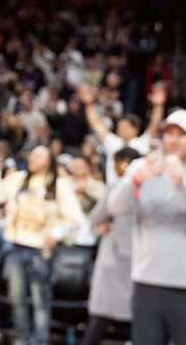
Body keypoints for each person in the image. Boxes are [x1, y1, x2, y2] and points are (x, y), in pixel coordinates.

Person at [107, 109, 186, 345]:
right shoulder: (143, 166)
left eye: (180, 134)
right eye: (168, 133)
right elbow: (114, 207)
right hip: (146, 280)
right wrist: (135, 180)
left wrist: (181, 182)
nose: (172, 139)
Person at [1, 144, 85, 345]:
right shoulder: (18, 179)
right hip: (15, 244)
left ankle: (40, 341)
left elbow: (76, 219)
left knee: (40, 301)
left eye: (39, 156)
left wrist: (56, 233)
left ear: (49, 161)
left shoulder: (59, 185)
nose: (33, 158)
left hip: (40, 249)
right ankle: (21, 338)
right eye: (32, 155)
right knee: (16, 299)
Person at [79, 147, 140, 345]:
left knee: (100, 317)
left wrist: (102, 224)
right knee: (135, 319)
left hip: (115, 255)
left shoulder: (120, 187)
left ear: (125, 163)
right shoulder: (151, 186)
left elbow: (96, 215)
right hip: (139, 255)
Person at [79, 83, 164, 185]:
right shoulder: (113, 142)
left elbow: (154, 125)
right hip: (114, 189)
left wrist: (159, 106)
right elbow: (97, 125)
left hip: (138, 190)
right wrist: (89, 105)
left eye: (125, 127)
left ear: (135, 129)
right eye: (119, 127)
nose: (121, 129)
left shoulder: (143, 142)